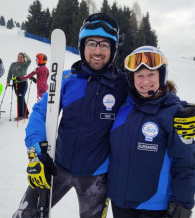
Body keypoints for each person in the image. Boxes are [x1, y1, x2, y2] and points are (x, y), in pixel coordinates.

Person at [13, 13, 128, 218]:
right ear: (83, 46)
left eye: (105, 45)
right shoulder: (67, 80)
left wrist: (182, 111)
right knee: (24, 215)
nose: (98, 51)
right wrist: (38, 152)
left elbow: (153, 96)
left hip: (96, 177)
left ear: (113, 49)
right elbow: (40, 111)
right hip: (55, 166)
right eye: (92, 43)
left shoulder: (122, 85)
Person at [107, 46, 195, 218]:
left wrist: (181, 206)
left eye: (151, 74)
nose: (145, 81)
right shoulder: (123, 107)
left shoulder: (174, 114)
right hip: (120, 203)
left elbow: (186, 165)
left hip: (154, 209)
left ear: (161, 76)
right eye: (139, 75)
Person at [6, 52, 31, 120]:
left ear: (23, 59)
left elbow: (29, 60)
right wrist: (8, 81)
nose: (19, 58)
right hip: (15, 83)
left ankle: (20, 115)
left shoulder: (25, 64)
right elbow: (9, 73)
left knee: (20, 98)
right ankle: (26, 113)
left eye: (21, 57)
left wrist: (26, 55)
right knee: (21, 98)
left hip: (23, 83)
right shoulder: (13, 64)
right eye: (18, 57)